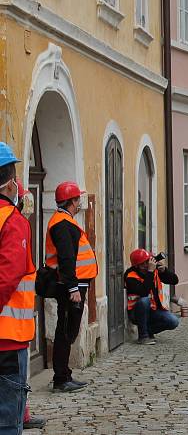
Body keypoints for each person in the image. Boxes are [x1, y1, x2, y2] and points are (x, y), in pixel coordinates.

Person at [45, 181, 98, 393]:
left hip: (74, 284)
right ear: (72, 201)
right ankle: (60, 378)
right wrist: (73, 288)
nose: (79, 204)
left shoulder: (65, 221)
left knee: (68, 330)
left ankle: (65, 374)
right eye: (78, 200)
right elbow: (67, 259)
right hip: (70, 286)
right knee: (66, 330)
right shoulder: (61, 223)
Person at [0, 144, 35, 434]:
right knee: (8, 422)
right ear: (12, 182)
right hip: (7, 340)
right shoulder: (13, 221)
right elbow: (7, 278)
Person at [11, 180, 46, 431]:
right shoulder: (14, 224)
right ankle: (19, 416)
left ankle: (22, 414)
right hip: (11, 325)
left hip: (19, 323)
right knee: (14, 380)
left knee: (17, 380)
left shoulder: (20, 225)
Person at [124, 249, 179, 345]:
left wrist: (164, 271)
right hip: (137, 313)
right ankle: (143, 337)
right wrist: (150, 272)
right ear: (138, 265)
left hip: (154, 310)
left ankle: (148, 330)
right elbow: (144, 292)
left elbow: (174, 280)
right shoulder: (131, 276)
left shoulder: (154, 271)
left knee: (173, 321)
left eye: (149, 260)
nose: (149, 263)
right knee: (144, 300)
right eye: (145, 262)